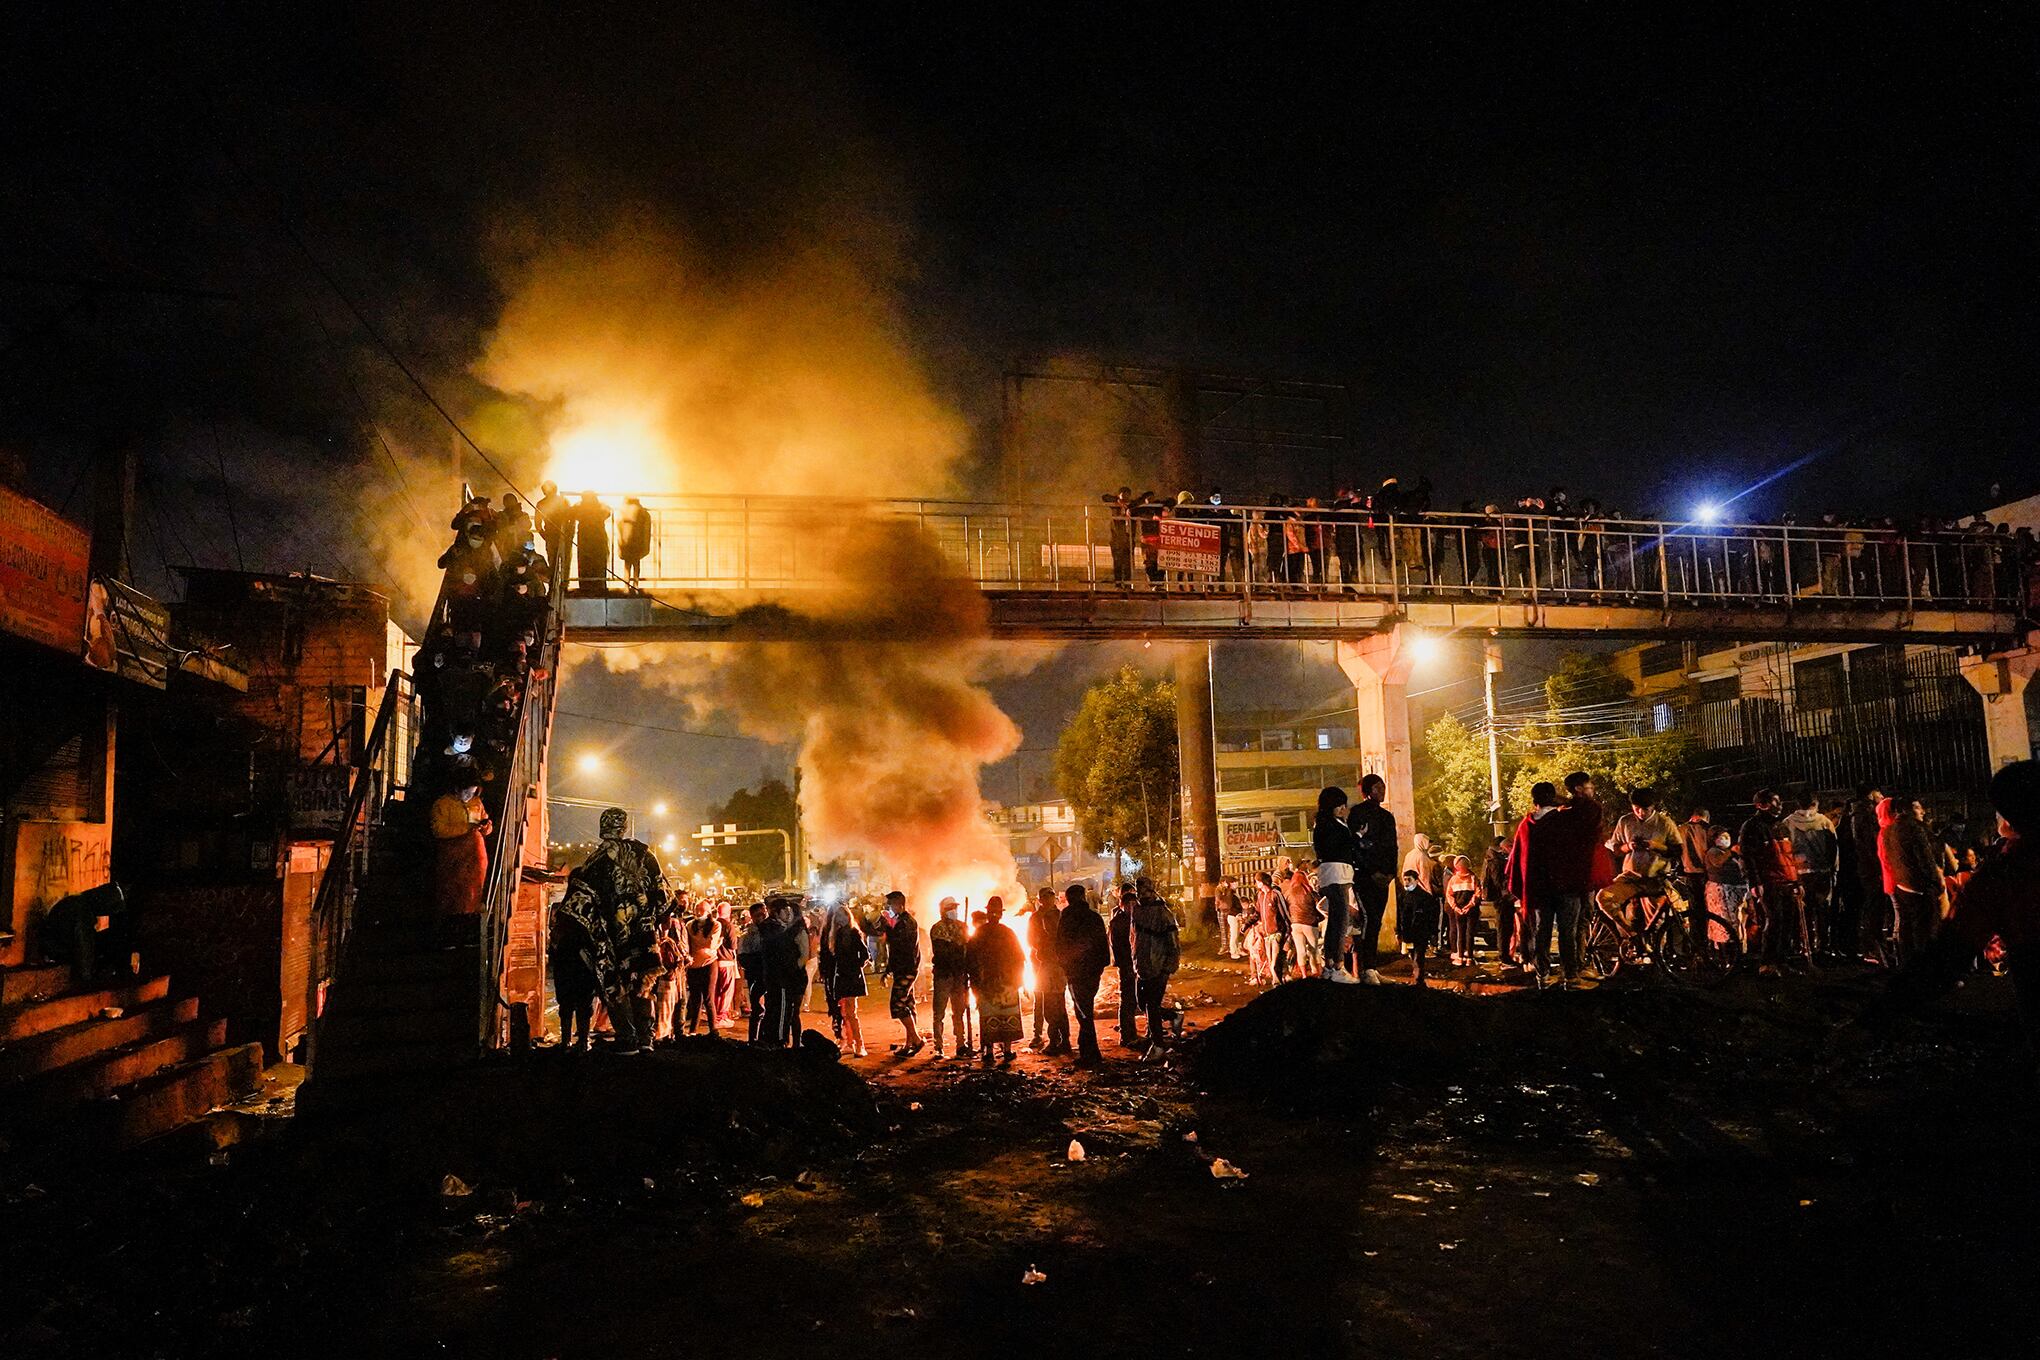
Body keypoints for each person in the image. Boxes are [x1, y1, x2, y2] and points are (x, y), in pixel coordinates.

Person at [1900, 761, 2040, 1063]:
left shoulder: (2001, 878)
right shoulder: (2000, 875)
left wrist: (1879, 1014)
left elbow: (1948, 954)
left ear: (2006, 821)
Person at [559, 807, 666, 1052]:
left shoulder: (594, 862)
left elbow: (576, 905)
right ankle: (645, 1038)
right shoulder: (644, 854)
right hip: (641, 935)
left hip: (611, 938)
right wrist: (648, 921)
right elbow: (664, 897)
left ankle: (627, 1037)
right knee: (642, 982)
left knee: (616, 984)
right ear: (624, 826)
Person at [1505, 775, 1604, 990]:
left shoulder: (1526, 825)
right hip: (1567, 886)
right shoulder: (1565, 820)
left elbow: (1517, 860)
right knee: (1567, 932)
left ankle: (1543, 975)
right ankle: (1571, 975)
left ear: (1534, 802)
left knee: (1542, 931)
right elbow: (1590, 829)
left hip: (1539, 890)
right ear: (1553, 797)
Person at [1740, 789, 1806, 972]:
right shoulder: (1752, 827)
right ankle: (1767, 963)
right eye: (1775, 802)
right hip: (1768, 882)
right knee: (1774, 921)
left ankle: (1782, 960)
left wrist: (1797, 882)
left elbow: (1789, 856)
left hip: (1786, 881)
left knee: (1789, 921)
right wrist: (1754, 883)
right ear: (1761, 805)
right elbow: (1748, 857)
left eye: (1779, 802)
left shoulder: (1781, 826)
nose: (1780, 806)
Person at [1878, 794, 1944, 967]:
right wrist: (1936, 883)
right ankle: (1926, 968)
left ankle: (1909, 966)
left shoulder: (1889, 830)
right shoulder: (1914, 828)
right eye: (1916, 807)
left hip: (1901, 884)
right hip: (1919, 886)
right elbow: (1925, 859)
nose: (1921, 811)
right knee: (1926, 930)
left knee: (1907, 929)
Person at [1348, 773, 1399, 983]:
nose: (1382, 791)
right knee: (1369, 919)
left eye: (1383, 787)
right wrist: (1371, 871)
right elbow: (1355, 847)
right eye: (1377, 787)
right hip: (1365, 876)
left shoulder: (1387, 817)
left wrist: (1390, 874)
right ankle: (1365, 968)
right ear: (1368, 790)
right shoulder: (1357, 813)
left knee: (1376, 920)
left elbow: (1392, 847)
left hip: (1383, 877)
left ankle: (1372, 966)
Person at [966, 895, 1026, 1067]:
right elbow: (1019, 958)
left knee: (991, 1016)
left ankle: (992, 1051)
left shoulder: (982, 933)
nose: (994, 915)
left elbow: (970, 960)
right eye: (993, 912)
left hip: (994, 982)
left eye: (995, 912)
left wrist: (975, 982)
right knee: (1001, 1015)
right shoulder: (1005, 932)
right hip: (998, 982)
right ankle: (1003, 1051)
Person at [1056, 884, 1110, 1065]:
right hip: (1092, 972)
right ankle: (1087, 1049)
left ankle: (1091, 1053)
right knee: (1085, 1009)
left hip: (1076, 972)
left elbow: (1060, 944)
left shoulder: (1067, 917)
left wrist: (1065, 966)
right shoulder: (1094, 917)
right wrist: (1102, 965)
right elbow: (1103, 944)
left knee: (1084, 1012)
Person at [1312, 785, 1361, 981]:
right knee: (1339, 921)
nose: (1343, 809)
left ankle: (1330, 965)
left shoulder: (1323, 824)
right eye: (1340, 805)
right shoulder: (1331, 825)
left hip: (1333, 874)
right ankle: (1337, 965)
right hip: (1336, 874)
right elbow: (1343, 845)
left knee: (1335, 921)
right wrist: (1357, 836)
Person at [1784, 792, 1840, 958]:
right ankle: (1823, 946)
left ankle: (1804, 946)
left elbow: (1784, 850)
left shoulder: (1788, 823)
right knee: (1823, 910)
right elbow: (1834, 849)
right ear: (1815, 804)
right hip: (1822, 872)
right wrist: (1834, 870)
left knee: (1803, 911)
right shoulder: (1824, 822)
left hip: (1799, 874)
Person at [547, 875, 598, 1051]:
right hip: (577, 963)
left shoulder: (564, 911)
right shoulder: (589, 908)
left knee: (571, 1004)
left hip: (568, 963)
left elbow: (555, 938)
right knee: (579, 1004)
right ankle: (579, 1041)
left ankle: (571, 1041)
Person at [1130, 878, 1181, 1051]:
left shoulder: (1163, 913)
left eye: (1144, 892)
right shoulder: (1136, 910)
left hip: (1158, 965)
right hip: (1141, 965)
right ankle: (1172, 1017)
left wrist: (1169, 965)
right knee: (1142, 1002)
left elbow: (1173, 942)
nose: (1141, 896)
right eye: (1139, 892)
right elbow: (1134, 938)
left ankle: (1158, 1044)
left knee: (1151, 1005)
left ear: (1152, 892)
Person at [429, 781, 491, 920]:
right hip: (454, 854)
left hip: (475, 857)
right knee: (453, 889)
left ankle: (470, 911)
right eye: (468, 793)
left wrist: (485, 827)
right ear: (457, 788)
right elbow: (439, 830)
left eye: (473, 793)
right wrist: (466, 829)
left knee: (474, 887)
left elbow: (485, 820)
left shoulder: (476, 803)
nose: (470, 797)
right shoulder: (443, 804)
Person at [880, 891, 924, 1057]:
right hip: (903, 969)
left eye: (891, 904)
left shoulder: (907, 923)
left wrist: (888, 930)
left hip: (907, 970)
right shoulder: (901, 922)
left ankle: (917, 1040)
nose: (889, 907)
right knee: (907, 1005)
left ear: (900, 904)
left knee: (897, 1005)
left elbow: (901, 948)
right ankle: (909, 1044)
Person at [1028, 885, 1070, 1054]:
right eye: (1046, 897)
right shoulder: (1036, 918)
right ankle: (1045, 1036)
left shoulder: (1060, 916)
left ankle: (1059, 1040)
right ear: (1040, 900)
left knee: (1055, 1003)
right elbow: (1031, 940)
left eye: (1050, 896)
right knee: (1045, 1002)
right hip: (1042, 965)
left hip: (1053, 965)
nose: (1048, 899)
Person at [928, 896, 972, 1058]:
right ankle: (938, 1045)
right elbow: (942, 951)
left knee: (959, 1011)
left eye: (955, 907)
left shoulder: (962, 926)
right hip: (943, 974)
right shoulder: (937, 928)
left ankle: (961, 1043)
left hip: (959, 975)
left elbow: (967, 948)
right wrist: (958, 948)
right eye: (950, 908)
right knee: (939, 1012)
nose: (954, 910)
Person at [826, 901, 871, 1056]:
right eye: (838, 915)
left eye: (843, 914)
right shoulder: (837, 935)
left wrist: (855, 967)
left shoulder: (853, 933)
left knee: (851, 1012)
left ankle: (860, 1044)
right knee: (844, 1012)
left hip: (851, 976)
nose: (841, 918)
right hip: (842, 976)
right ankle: (851, 1042)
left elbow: (865, 954)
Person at [736, 902, 778, 1045]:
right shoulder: (748, 935)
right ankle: (753, 1040)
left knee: (772, 1008)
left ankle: (766, 1038)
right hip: (757, 976)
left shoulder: (773, 931)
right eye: (758, 915)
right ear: (752, 917)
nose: (762, 917)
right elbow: (742, 957)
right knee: (757, 1010)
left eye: (763, 913)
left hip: (771, 976)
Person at [1398, 867, 1441, 986]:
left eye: (1409, 880)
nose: (1406, 882)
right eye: (1405, 879)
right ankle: (1417, 977)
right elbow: (1400, 914)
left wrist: (1433, 932)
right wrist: (1399, 931)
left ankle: (1419, 979)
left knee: (1419, 956)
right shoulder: (1403, 896)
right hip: (1408, 931)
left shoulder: (1425, 897)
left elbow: (1432, 915)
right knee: (1412, 955)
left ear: (1416, 881)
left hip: (1421, 931)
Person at [683, 900, 721, 1035]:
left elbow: (710, 944)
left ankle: (714, 1030)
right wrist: (706, 945)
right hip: (693, 966)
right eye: (696, 909)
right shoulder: (689, 925)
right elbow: (691, 943)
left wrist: (698, 942)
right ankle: (693, 1030)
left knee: (709, 999)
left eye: (701, 909)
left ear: (709, 911)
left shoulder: (716, 925)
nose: (698, 912)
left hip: (708, 964)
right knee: (695, 1000)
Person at [1481, 833, 1517, 968]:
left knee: (1506, 927)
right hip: (1502, 900)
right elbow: (1499, 882)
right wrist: (1508, 894)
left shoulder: (1494, 859)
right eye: (1510, 846)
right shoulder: (1496, 861)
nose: (1511, 848)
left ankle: (1505, 955)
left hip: (1503, 898)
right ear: (1502, 847)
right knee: (1504, 927)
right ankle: (1504, 957)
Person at [1110, 885, 1139, 1046]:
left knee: (1134, 999)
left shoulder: (1135, 919)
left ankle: (1131, 1032)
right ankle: (1127, 1035)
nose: (1132, 908)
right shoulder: (1119, 921)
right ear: (1123, 905)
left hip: (1136, 964)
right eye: (1129, 905)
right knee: (1127, 999)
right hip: (1127, 965)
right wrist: (1125, 964)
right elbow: (1117, 946)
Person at [569, 491, 611, 595]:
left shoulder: (579, 508)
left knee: (584, 562)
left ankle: (585, 586)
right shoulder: (600, 508)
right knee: (600, 561)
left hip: (584, 538)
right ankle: (600, 585)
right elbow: (608, 512)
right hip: (599, 537)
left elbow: (571, 513)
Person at [1278, 861, 1315, 980]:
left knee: (1300, 950)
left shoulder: (1288, 892)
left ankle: (1304, 975)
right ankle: (1316, 972)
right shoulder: (1308, 891)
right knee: (1314, 950)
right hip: (1309, 923)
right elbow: (1319, 904)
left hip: (1294, 924)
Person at [1445, 854, 1480, 967]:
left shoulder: (1453, 879)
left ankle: (1460, 957)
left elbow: (1449, 895)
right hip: (1471, 910)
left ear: (1456, 866)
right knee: (1470, 933)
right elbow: (1478, 893)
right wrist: (1469, 906)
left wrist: (1455, 907)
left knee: (1460, 932)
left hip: (1458, 910)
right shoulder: (1473, 877)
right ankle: (1469, 957)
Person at [616, 495, 652, 590]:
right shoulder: (641, 511)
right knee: (636, 564)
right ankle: (635, 585)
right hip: (637, 540)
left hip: (625, 540)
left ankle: (626, 586)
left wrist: (620, 541)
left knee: (627, 565)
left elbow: (618, 524)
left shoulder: (622, 510)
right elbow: (646, 526)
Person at [535, 480, 572, 568]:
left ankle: (556, 580)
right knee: (563, 562)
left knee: (555, 562)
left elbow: (537, 524)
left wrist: (544, 535)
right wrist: (545, 535)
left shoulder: (541, 503)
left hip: (558, 535)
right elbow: (538, 523)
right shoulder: (563, 501)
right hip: (557, 535)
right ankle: (561, 580)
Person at [1216, 875, 1246, 960]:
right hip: (1233, 915)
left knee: (1236, 933)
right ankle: (1233, 952)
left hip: (1235, 914)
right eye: (1234, 882)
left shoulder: (1232, 892)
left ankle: (1237, 949)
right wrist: (1236, 914)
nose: (1236, 884)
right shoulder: (1229, 893)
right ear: (1230, 884)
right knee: (1234, 934)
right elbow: (1229, 905)